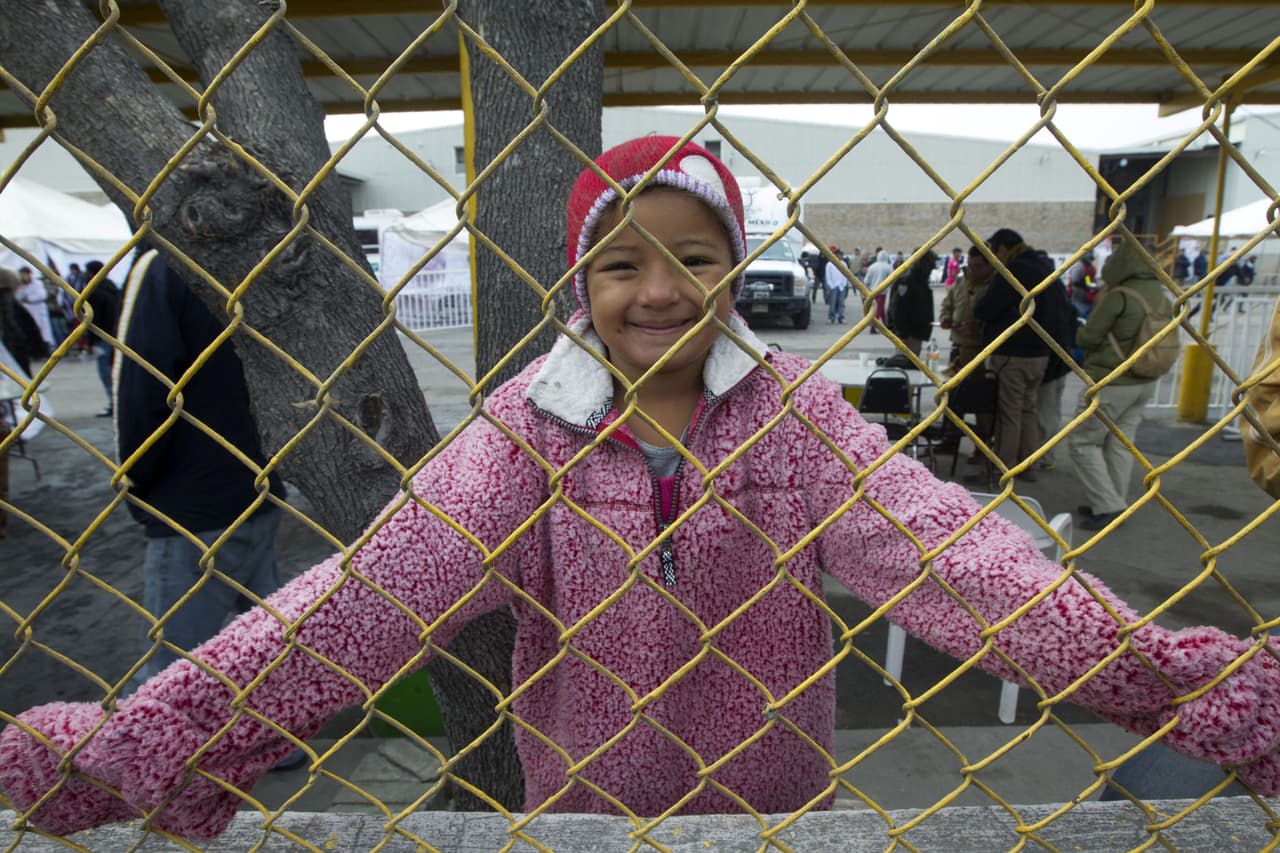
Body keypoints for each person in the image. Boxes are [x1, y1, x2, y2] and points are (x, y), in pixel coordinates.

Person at [7, 136, 1280, 840]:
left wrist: (1186, 687)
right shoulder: (523, 435)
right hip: (580, 812)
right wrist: (153, 742)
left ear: (735, 267)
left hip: (781, 810)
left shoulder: (798, 422)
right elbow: (366, 603)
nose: (656, 291)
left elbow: (960, 561)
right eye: (619, 263)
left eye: (692, 255)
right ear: (578, 283)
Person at [113, 247, 289, 688]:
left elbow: (139, 390)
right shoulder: (255, 257)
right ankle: (278, 744)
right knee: (266, 653)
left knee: (175, 672)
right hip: (257, 485)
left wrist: (136, 484)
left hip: (191, 503)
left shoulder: (162, 265)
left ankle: (180, 755)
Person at [1066, 237, 1168, 531]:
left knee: (1083, 441)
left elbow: (1087, 338)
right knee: (1121, 444)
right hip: (1145, 380)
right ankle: (1114, 501)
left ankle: (1108, 504)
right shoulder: (1160, 294)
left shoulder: (1119, 296)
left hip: (1112, 380)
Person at [972, 228, 1061, 482]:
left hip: (1014, 352)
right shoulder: (1044, 267)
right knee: (1028, 409)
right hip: (1040, 353)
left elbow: (986, 308)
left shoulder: (1013, 271)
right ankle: (1029, 463)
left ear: (1002, 249)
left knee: (1009, 412)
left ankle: (1004, 467)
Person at [1034, 276, 1077, 472]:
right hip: (1061, 364)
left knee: (1045, 413)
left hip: (1052, 366)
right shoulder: (1065, 303)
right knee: (1051, 412)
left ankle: (1044, 456)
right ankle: (1044, 454)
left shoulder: (1047, 308)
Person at [83, 260, 121, 417]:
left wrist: (90, 342)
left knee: (105, 371)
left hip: (101, 336)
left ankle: (113, 403)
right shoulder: (113, 288)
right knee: (115, 370)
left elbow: (92, 319)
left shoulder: (93, 292)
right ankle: (118, 401)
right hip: (116, 335)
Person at [886, 248, 936, 356]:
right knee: (907, 364)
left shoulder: (919, 281)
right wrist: (903, 333)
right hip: (909, 335)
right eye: (930, 265)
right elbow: (897, 309)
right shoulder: (907, 282)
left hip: (915, 334)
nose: (931, 269)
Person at [14, 266, 54, 351]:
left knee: (43, 332)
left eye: (24, 275)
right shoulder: (21, 286)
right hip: (27, 312)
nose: (23, 277)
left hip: (38, 311)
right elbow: (17, 297)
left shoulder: (37, 283)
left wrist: (29, 299)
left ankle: (46, 349)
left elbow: (42, 295)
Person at [862, 249, 895, 332]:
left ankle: (886, 325)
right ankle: (873, 328)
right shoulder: (887, 267)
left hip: (872, 291)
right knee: (878, 310)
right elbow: (892, 279)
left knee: (878, 308)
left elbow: (866, 280)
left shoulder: (872, 267)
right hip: (882, 292)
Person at [1066, 252, 1097, 320]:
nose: (1091, 261)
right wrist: (1086, 286)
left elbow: (1087, 281)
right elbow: (1075, 281)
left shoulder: (1090, 268)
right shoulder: (1079, 267)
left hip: (1087, 299)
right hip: (1078, 299)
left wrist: (1091, 286)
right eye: (1089, 259)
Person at [823, 248, 850, 324]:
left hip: (841, 286)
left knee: (841, 303)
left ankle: (841, 317)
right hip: (834, 285)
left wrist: (844, 284)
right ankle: (831, 317)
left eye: (841, 255)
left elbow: (846, 274)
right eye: (839, 254)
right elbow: (828, 276)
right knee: (833, 303)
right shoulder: (830, 264)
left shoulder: (844, 264)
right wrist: (831, 285)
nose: (840, 256)